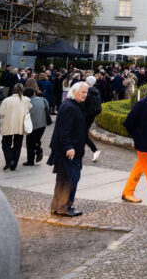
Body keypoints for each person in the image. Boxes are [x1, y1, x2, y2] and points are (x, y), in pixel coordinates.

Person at [48, 82, 89, 216]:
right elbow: (64, 130)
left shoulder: (72, 105)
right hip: (69, 151)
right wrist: (69, 147)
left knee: (63, 178)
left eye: (86, 92)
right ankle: (64, 207)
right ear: (74, 92)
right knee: (70, 178)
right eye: (83, 92)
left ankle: (57, 206)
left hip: (68, 149)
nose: (85, 95)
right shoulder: (70, 107)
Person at [0, 83, 32, 171]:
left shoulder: (7, 100)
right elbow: (29, 108)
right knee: (18, 144)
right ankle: (14, 164)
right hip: (20, 125)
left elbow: (1, 112)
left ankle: (9, 160)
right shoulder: (26, 100)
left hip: (8, 124)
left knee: (6, 143)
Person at [23, 87, 50, 166]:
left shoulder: (26, 102)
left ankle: (30, 160)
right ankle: (38, 151)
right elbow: (47, 108)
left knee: (30, 143)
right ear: (34, 93)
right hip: (42, 124)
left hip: (31, 125)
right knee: (36, 140)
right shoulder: (43, 99)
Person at [83, 76, 103, 162]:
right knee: (83, 133)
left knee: (82, 134)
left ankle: (95, 150)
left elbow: (84, 103)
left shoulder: (87, 91)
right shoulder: (96, 91)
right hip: (91, 116)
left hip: (85, 115)